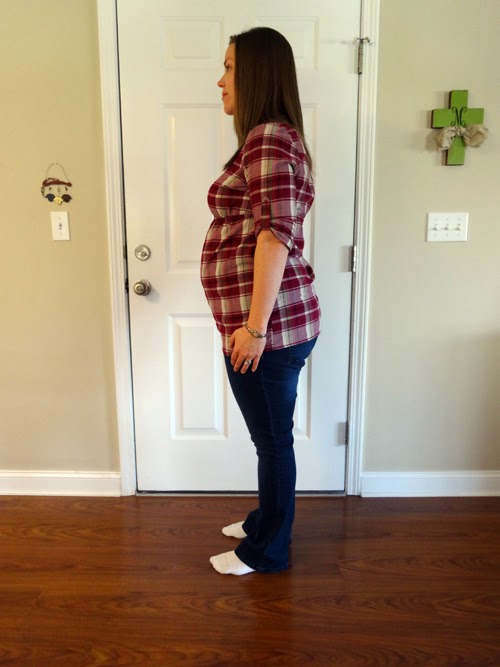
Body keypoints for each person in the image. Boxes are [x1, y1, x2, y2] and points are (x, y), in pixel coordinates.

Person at [201, 27, 321, 575]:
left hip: (268, 331)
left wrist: (253, 329)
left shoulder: (268, 137)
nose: (221, 80)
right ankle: (265, 521)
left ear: (256, 73)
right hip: (272, 326)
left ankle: (267, 550)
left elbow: (273, 237)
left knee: (272, 442)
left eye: (229, 67)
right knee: (269, 439)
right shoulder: (269, 136)